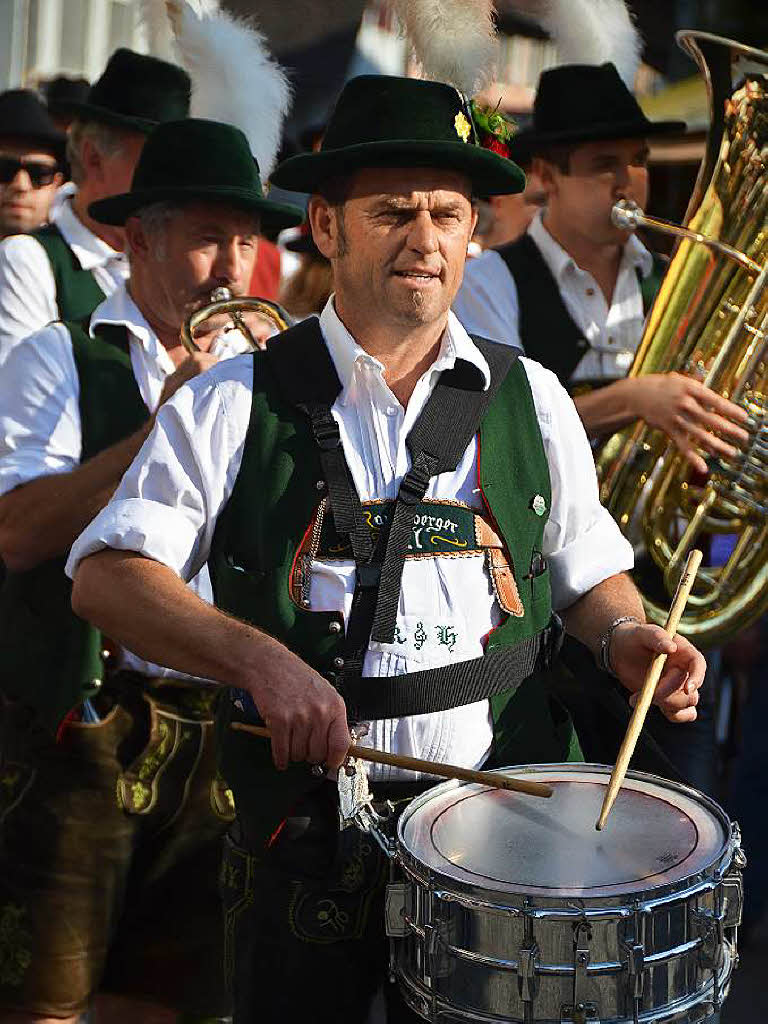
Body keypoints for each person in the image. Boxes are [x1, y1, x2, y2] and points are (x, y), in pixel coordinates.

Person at [67, 75, 707, 1023]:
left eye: (450, 214)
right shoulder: (232, 399)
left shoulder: (532, 397)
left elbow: (587, 572)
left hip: (506, 833)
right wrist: (264, 664)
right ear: (326, 226)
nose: (426, 238)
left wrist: (626, 637)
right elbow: (106, 577)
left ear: (475, 233)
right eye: (394, 212)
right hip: (303, 833)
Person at [0, 117, 302, 1024]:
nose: (232, 266)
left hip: (221, 727)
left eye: (246, 240)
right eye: (210, 236)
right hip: (84, 723)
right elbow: (16, 533)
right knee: (44, 1002)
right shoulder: (59, 353)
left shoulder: (265, 372)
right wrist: (158, 427)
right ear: (139, 239)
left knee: (179, 1004)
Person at [453, 62, 749, 793]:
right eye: (603, 165)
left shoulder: (678, 277)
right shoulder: (492, 280)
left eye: (639, 162)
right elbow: (491, 429)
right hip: (536, 601)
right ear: (545, 175)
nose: (630, 182)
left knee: (679, 817)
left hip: (663, 593)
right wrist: (633, 401)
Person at [0, 49, 191, 363]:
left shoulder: (172, 260)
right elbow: (23, 398)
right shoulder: (28, 260)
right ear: (93, 157)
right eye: (153, 159)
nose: (169, 178)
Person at [0, 90, 65, 239]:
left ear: (56, 185)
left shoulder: (79, 260)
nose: (21, 185)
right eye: (4, 169)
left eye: (40, 173)